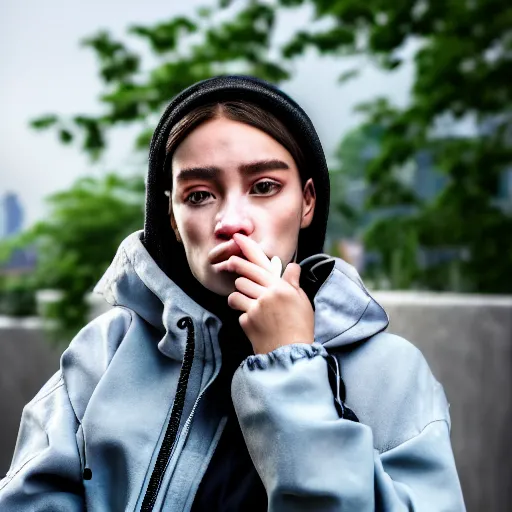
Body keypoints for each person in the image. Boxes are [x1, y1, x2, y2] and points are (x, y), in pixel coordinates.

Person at [0, 75, 465, 511]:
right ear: (171, 219)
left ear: (307, 202)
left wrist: (291, 363)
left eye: (264, 187)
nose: (231, 221)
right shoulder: (102, 355)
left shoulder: (393, 374)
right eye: (199, 195)